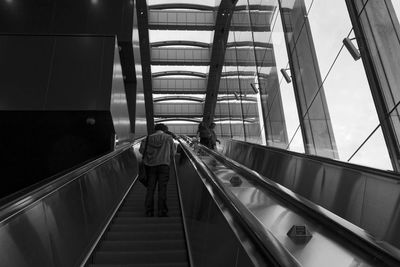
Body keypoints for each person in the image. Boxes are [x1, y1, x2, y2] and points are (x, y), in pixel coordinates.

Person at [139, 123, 176, 217]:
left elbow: (141, 150)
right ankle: (162, 211)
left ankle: (149, 211)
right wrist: (167, 157)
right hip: (164, 165)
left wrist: (150, 155)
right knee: (162, 189)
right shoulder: (168, 138)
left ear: (155, 129)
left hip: (150, 166)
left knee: (150, 189)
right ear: (164, 129)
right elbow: (173, 152)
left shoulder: (147, 138)